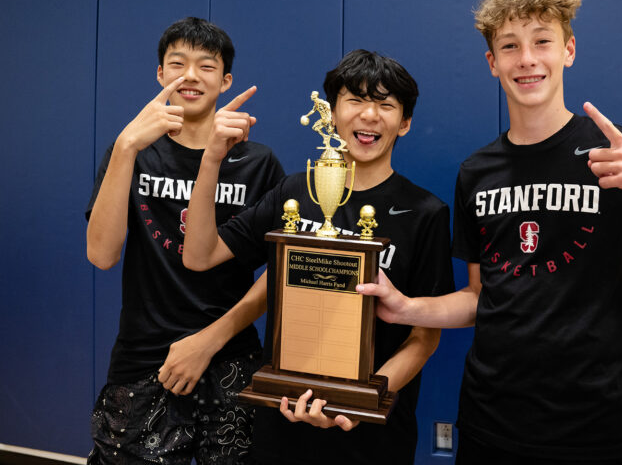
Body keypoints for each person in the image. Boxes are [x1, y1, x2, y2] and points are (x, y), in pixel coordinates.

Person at [357, 0, 622, 464]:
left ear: (568, 50)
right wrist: (405, 308)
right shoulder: (476, 172)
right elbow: (479, 299)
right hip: (489, 424)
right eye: (510, 46)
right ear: (493, 63)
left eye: (542, 41)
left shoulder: (621, 156)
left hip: (590, 430)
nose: (527, 58)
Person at [182, 49, 455, 464]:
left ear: (405, 122)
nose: (369, 115)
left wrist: (364, 398)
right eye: (356, 100)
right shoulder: (294, 192)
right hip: (283, 418)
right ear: (331, 112)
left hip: (371, 432)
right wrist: (211, 158)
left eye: (385, 104)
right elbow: (200, 255)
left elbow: (424, 337)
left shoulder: (425, 213)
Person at [85, 17, 284, 463]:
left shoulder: (258, 162)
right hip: (143, 359)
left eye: (206, 66)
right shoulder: (134, 151)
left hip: (230, 356)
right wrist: (124, 147)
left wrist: (210, 339)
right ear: (160, 75)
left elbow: (282, 270)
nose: (190, 76)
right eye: (177, 64)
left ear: (225, 80)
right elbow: (101, 254)